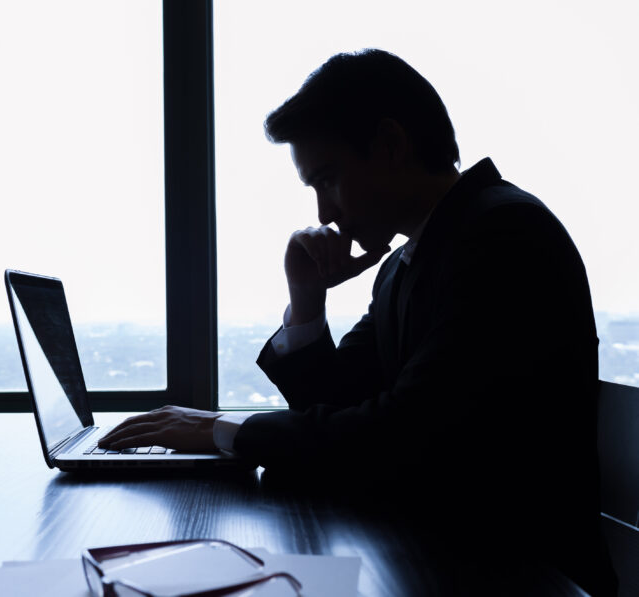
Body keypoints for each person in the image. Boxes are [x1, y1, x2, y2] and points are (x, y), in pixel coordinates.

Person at [100, 49, 616, 595]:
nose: (323, 214)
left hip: (519, 576)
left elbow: (398, 435)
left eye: (327, 178)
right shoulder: (407, 262)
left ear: (391, 145)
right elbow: (343, 406)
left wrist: (223, 430)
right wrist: (306, 299)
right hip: (439, 556)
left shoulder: (504, 236)